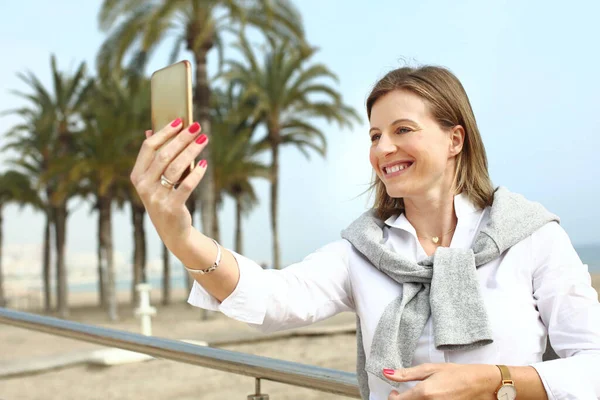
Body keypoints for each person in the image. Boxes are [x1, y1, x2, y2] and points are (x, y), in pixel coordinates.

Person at [130, 66, 600, 400]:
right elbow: (273, 298)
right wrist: (180, 236)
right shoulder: (364, 250)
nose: (383, 147)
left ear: (455, 139)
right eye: (375, 135)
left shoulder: (532, 236)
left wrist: (494, 382)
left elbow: (593, 368)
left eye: (402, 129)